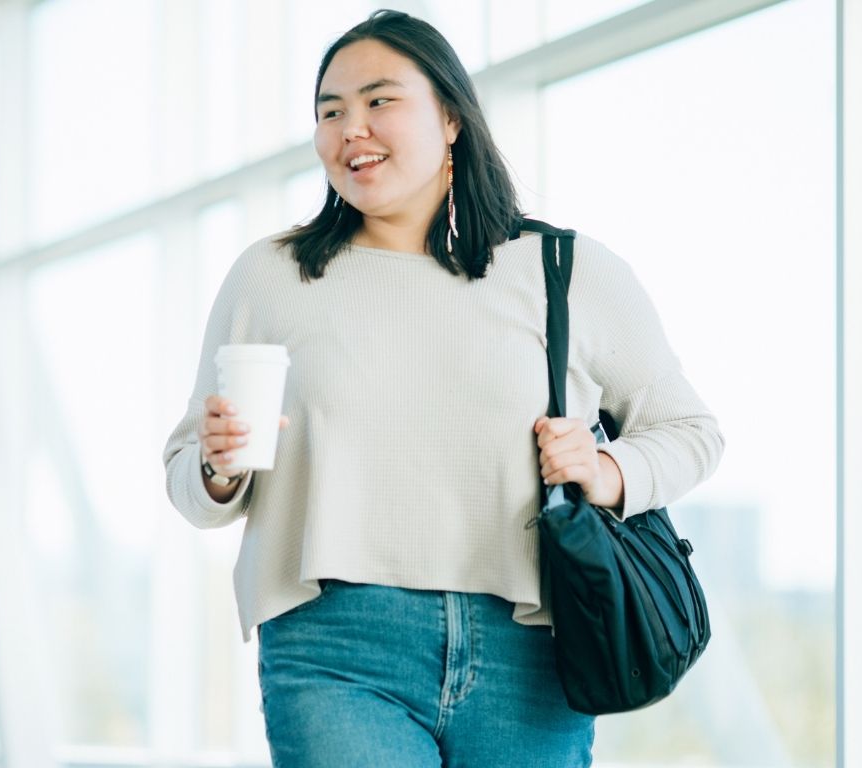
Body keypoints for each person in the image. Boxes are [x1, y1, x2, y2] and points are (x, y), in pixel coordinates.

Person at [162, 10, 723, 767]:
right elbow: (189, 478)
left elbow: (691, 430)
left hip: (531, 648)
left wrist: (607, 470)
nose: (350, 128)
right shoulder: (274, 276)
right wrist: (217, 467)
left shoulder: (564, 271)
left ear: (451, 117)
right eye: (330, 111)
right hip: (335, 645)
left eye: (379, 101)